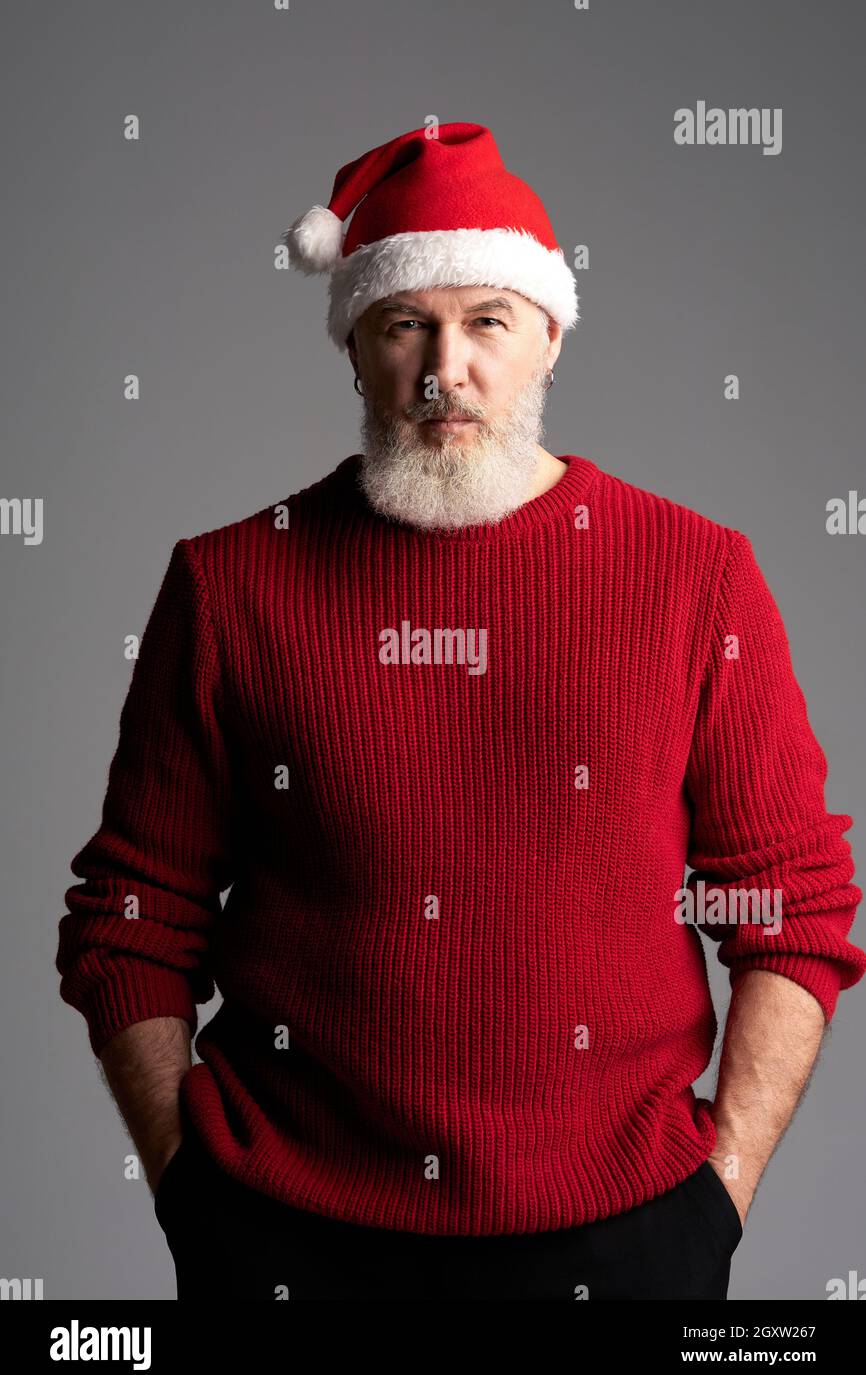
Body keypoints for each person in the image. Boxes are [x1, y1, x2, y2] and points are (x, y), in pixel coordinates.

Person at [56, 121, 865, 1301]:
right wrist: (191, 1192)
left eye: (486, 320)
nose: (446, 368)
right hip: (288, 1236)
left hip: (623, 1237)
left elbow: (793, 905)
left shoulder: (694, 576)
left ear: (548, 337)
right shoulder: (231, 584)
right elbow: (131, 914)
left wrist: (718, 1193)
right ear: (354, 350)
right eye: (404, 324)